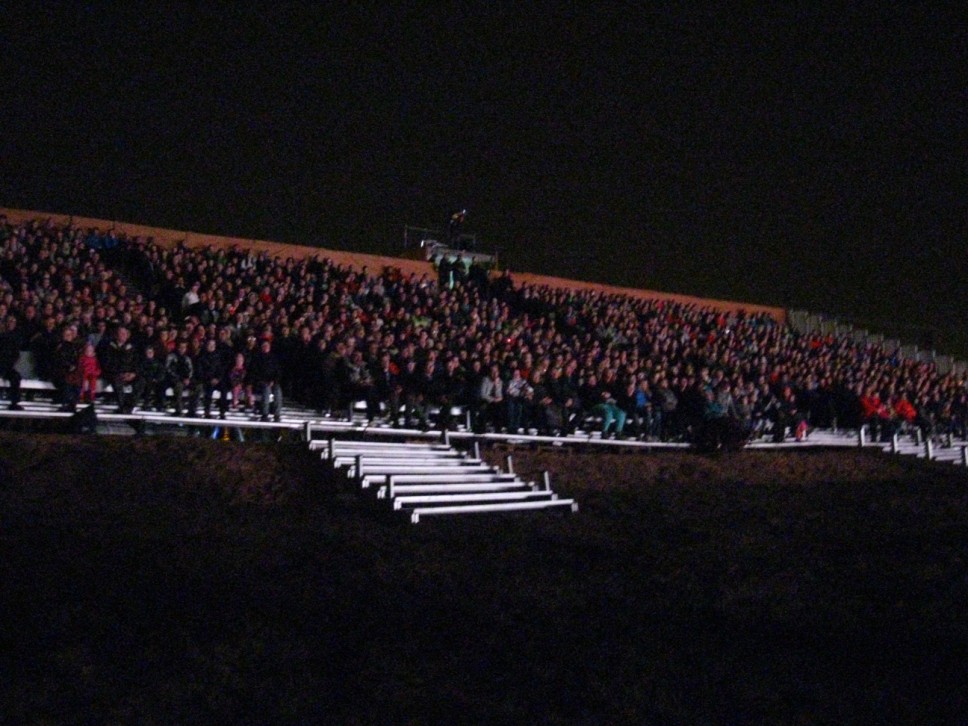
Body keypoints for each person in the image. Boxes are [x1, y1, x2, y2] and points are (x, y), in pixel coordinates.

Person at [100, 326, 140, 413]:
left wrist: (133, 373)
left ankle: (129, 406)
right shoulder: (109, 347)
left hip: (129, 374)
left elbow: (136, 362)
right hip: (115, 374)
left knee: (141, 382)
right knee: (117, 381)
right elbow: (107, 363)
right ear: (116, 335)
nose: (123, 335)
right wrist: (120, 373)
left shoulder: (132, 348)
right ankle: (122, 407)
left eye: (124, 333)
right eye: (121, 333)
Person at [250, 338, 283, 422]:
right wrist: (264, 381)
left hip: (272, 381)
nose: (265, 347)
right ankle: (265, 414)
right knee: (266, 389)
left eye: (267, 346)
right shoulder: (257, 358)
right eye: (264, 346)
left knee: (278, 390)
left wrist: (273, 381)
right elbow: (255, 372)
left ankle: (277, 414)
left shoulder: (274, 358)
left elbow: (278, 372)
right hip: (261, 382)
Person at [0, 315, 24, 410]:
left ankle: (14, 403)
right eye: (10, 321)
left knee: (16, 377)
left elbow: (16, 354)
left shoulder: (14, 338)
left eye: (13, 322)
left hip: (7, 366)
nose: (11, 324)